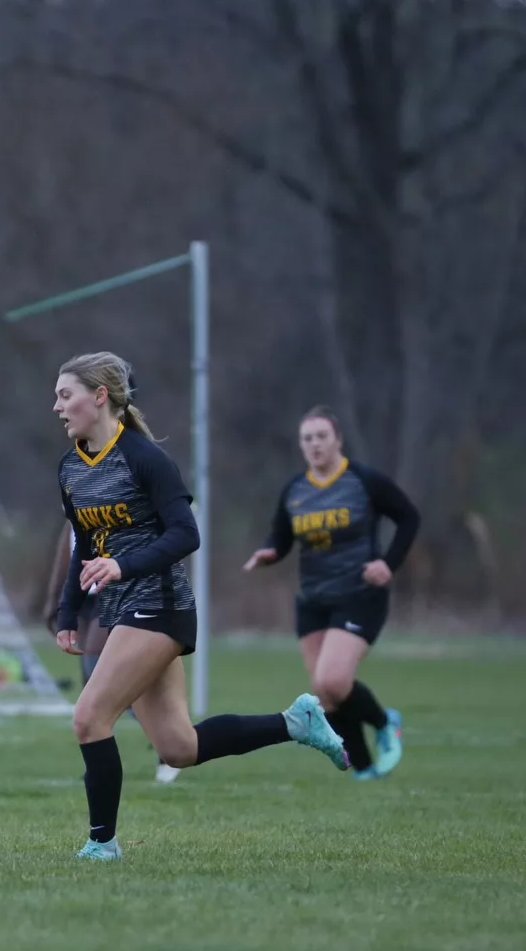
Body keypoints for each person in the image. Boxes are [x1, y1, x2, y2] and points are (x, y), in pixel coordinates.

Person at [51, 351, 354, 862]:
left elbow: (186, 534)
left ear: (99, 396)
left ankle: (101, 844)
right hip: (122, 609)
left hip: (161, 608)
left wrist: (123, 568)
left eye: (65, 395)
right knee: (179, 747)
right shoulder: (70, 469)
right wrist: (67, 613)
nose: (57, 406)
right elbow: (85, 544)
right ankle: (295, 722)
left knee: (88, 717)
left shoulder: (145, 458)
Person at [244, 405, 420, 779]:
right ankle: (364, 767)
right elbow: (282, 535)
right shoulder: (295, 490)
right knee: (326, 694)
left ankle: (384, 720)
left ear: (337, 439)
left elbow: (408, 516)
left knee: (332, 681)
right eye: (307, 438)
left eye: (322, 436)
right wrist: (270, 552)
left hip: (359, 593)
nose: (315, 444)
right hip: (312, 600)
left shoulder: (363, 481)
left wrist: (388, 563)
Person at [45, 524, 175, 784]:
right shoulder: (73, 505)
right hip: (87, 595)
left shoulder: (115, 500)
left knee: (98, 666)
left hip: (121, 589)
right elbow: (68, 549)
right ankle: (99, 764)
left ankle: (168, 741)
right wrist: (55, 603)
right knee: (91, 686)